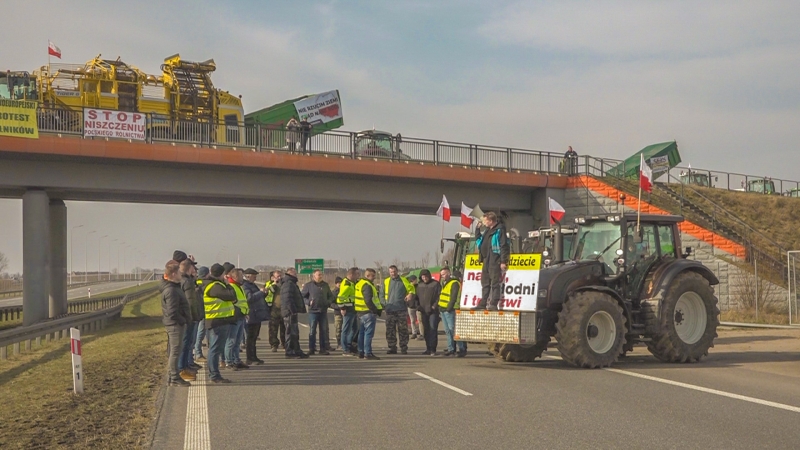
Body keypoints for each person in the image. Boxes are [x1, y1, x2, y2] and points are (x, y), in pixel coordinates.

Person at [202, 263, 238, 383]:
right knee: (215, 349)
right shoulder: (216, 286)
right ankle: (214, 375)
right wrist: (228, 285)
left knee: (216, 348)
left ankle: (214, 374)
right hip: (217, 321)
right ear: (222, 274)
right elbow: (231, 296)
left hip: (219, 320)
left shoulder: (214, 285)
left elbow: (233, 298)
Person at [161, 260, 192, 386]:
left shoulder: (174, 288)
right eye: (179, 272)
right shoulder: (171, 291)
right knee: (175, 351)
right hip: (174, 325)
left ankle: (172, 376)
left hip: (175, 324)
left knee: (175, 351)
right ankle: (174, 377)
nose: (181, 274)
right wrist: (183, 320)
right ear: (173, 274)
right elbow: (172, 312)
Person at [475, 212, 510, 310]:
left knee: (494, 282)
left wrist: (503, 261)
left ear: (490, 221)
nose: (484, 222)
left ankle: (494, 303)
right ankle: (483, 303)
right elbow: (479, 240)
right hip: (486, 259)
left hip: (495, 259)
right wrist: (477, 229)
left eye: (485, 220)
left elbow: (503, 245)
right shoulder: (487, 230)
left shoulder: (500, 229)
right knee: (485, 282)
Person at [382, 265, 414, 355]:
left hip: (401, 310)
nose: (393, 273)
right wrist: (385, 304)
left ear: (397, 271)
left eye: (394, 271)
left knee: (403, 330)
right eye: (391, 272)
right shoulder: (386, 281)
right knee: (390, 330)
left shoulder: (404, 280)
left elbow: (411, 289)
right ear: (389, 272)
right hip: (390, 310)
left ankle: (404, 347)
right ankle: (392, 347)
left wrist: (410, 294)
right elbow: (381, 295)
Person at [178, 259, 203, 376]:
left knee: (187, 343)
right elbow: (190, 302)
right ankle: (182, 368)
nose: (195, 270)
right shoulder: (187, 282)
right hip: (189, 317)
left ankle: (185, 365)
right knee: (186, 343)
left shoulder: (184, 280)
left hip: (186, 317)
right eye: (193, 267)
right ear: (189, 269)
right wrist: (194, 316)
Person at [302, 269, 334, 355]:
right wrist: (309, 302)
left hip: (323, 311)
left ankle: (322, 349)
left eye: (321, 275)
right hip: (313, 311)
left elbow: (331, 296)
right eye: (318, 275)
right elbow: (303, 297)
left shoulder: (325, 285)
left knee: (323, 330)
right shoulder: (308, 285)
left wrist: (328, 302)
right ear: (314, 276)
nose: (320, 276)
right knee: (312, 330)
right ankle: (311, 348)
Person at [242, 268, 269, 365]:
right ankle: (250, 358)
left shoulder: (252, 285)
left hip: (257, 314)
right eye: (254, 276)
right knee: (250, 337)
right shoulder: (245, 286)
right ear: (248, 276)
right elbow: (249, 298)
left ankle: (254, 356)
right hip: (251, 314)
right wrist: (261, 292)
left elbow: (257, 297)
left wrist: (264, 293)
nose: (255, 278)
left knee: (254, 337)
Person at [354, 268, 382, 360]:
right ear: (367, 275)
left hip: (360, 312)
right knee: (368, 334)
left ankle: (361, 351)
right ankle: (367, 353)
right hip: (367, 312)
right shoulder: (367, 285)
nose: (374, 278)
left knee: (361, 333)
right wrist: (375, 310)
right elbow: (368, 300)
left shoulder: (359, 284)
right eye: (372, 276)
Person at [439, 267, 467, 357]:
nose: (442, 276)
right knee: (448, 331)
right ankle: (451, 349)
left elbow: (453, 297)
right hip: (443, 309)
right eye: (441, 275)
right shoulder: (445, 283)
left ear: (448, 273)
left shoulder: (454, 283)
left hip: (450, 310)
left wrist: (449, 308)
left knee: (454, 330)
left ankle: (462, 349)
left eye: (443, 274)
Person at [281, 267, 309, 358]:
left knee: (294, 332)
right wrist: (292, 310)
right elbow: (287, 299)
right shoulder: (288, 284)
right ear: (290, 274)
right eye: (295, 274)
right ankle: (289, 351)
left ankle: (296, 350)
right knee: (290, 332)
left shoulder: (291, 283)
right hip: (289, 312)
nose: (296, 275)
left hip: (292, 311)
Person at [415, 269, 441, 356]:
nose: (424, 278)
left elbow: (439, 296)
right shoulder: (419, 285)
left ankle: (433, 349)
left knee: (433, 329)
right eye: (423, 276)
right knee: (426, 330)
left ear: (429, 276)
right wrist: (418, 306)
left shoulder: (436, 284)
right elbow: (416, 297)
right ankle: (428, 348)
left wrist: (434, 306)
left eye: (426, 276)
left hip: (433, 311)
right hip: (423, 311)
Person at [337, 268, 360, 356]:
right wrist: (342, 308)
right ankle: (345, 349)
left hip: (353, 309)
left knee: (355, 329)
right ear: (351, 275)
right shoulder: (347, 284)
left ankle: (350, 346)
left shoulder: (352, 283)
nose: (358, 276)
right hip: (348, 309)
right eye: (357, 274)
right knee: (346, 330)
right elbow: (340, 298)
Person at [266, 270, 286, 352]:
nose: (279, 277)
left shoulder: (284, 284)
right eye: (277, 276)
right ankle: (274, 344)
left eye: (280, 276)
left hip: (284, 309)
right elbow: (268, 292)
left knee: (284, 328)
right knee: (273, 328)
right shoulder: (270, 284)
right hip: (273, 309)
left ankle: (284, 344)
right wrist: (274, 283)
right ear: (273, 277)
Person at [194, 266, 210, 362]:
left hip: (200, 310)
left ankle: (198, 352)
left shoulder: (196, 282)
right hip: (206, 310)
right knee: (201, 332)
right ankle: (198, 353)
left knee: (200, 332)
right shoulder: (206, 284)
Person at [406, 275, 423, 340]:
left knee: (420, 320)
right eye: (414, 280)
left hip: (418, 306)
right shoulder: (408, 287)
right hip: (410, 306)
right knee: (412, 320)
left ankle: (422, 334)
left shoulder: (418, 287)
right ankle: (414, 333)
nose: (416, 281)